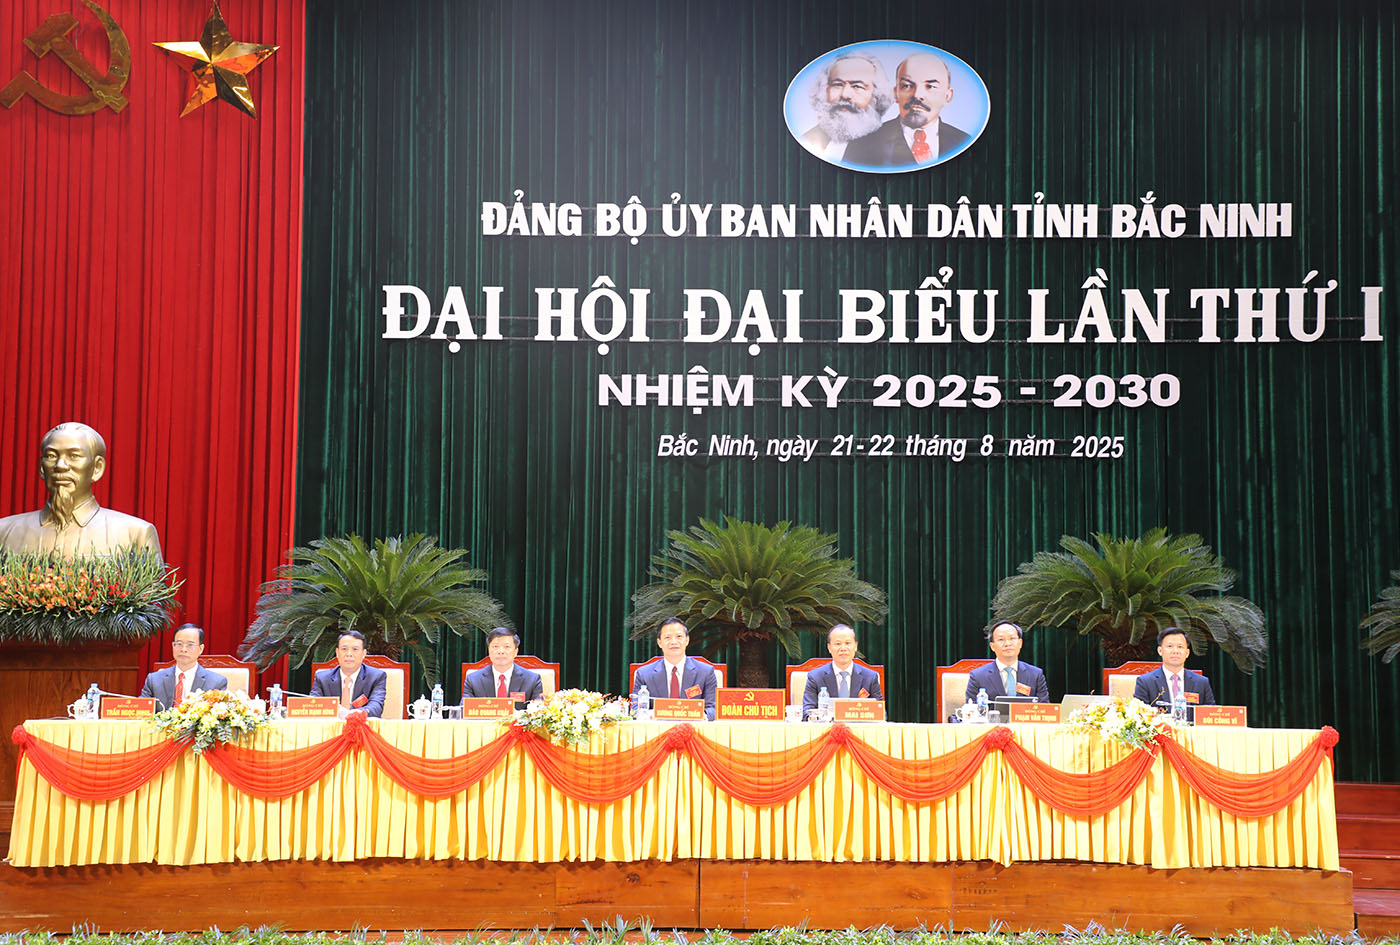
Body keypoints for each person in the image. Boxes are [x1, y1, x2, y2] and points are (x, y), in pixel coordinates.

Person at [0, 422, 161, 556]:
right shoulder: (4, 532)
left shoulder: (136, 534)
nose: (60, 466)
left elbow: (150, 586)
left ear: (97, 468)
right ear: (42, 468)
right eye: (51, 456)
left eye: (74, 456)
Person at [845, 53, 969, 168]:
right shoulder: (862, 144)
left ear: (947, 96)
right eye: (907, 86)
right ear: (895, 93)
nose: (917, 95)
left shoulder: (964, 142)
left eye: (930, 86)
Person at [800, 54, 893, 162]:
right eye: (837, 84)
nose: (845, 94)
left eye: (857, 86)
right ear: (824, 91)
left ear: (876, 95)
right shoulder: (806, 140)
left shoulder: (889, 146)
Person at [630, 616, 717, 720]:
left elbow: (713, 708)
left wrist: (701, 715)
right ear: (659, 642)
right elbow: (635, 710)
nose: (674, 642)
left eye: (679, 636)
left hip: (693, 727)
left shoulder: (705, 672)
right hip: (658, 728)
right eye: (667, 637)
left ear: (687, 640)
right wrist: (652, 714)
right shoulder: (644, 674)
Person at [139, 623, 227, 709]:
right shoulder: (154, 680)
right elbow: (140, 709)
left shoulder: (216, 683)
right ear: (173, 646)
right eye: (179, 644)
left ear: (201, 649)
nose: (183, 649)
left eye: (190, 645)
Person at [801, 624, 882, 719]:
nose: (843, 648)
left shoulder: (870, 677)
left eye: (848, 643)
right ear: (829, 648)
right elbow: (807, 712)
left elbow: (880, 712)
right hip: (828, 727)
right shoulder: (815, 677)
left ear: (855, 646)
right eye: (838, 644)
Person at [964, 621, 1051, 705]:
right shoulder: (978, 676)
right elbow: (972, 708)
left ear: (1020, 643)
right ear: (992, 646)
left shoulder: (1035, 675)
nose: (1007, 644)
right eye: (1001, 639)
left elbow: (1044, 708)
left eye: (1012, 638)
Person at [310, 629, 387, 718]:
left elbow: (376, 706)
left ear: (363, 653)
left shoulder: (376, 677)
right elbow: (313, 704)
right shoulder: (322, 678)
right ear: (337, 652)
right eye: (344, 649)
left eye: (355, 649)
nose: (349, 654)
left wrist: (353, 714)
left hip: (361, 724)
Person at [462, 627, 543, 710]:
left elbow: (539, 712)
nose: (501, 651)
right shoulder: (473, 680)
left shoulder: (532, 680)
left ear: (516, 651)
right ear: (489, 650)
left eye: (507, 647)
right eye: (495, 646)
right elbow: (463, 710)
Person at [1133, 627, 1217, 707]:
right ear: (1160, 651)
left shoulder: (1201, 682)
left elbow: (1209, 712)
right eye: (1170, 646)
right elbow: (1139, 712)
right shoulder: (1146, 682)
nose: (1175, 651)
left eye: (1180, 647)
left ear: (1187, 653)